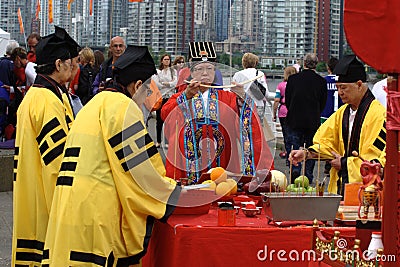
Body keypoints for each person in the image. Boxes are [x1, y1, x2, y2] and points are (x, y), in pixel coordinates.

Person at [42, 45, 181, 267]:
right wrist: (173, 193)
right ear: (137, 85)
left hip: (69, 205)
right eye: (147, 91)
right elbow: (141, 171)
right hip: (96, 211)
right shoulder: (123, 107)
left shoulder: (95, 102)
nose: (146, 99)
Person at [12, 26, 80, 266]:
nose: (75, 68)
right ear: (59, 63)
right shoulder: (46, 100)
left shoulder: (41, 94)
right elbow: (57, 163)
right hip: (44, 195)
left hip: (32, 188)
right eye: (72, 62)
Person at [161, 43, 274, 184]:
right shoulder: (182, 96)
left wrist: (242, 98)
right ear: (191, 72)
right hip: (188, 164)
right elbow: (166, 114)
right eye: (199, 69)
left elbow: (247, 121)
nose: (205, 73)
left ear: (215, 71)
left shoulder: (227, 97)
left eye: (209, 68)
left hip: (222, 160)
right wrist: (185, 96)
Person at [289, 55, 386, 195]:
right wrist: (306, 153)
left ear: (359, 85)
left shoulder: (379, 114)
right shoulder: (342, 112)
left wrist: (345, 164)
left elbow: (376, 161)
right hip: (340, 187)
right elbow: (326, 141)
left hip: (367, 192)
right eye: (338, 87)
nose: (340, 92)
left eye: (343, 88)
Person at [285, 53, 327, 183]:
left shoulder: (293, 79)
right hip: (312, 121)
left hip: (294, 119)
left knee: (294, 147)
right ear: (316, 64)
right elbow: (323, 102)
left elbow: (288, 100)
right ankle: (308, 176)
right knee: (310, 149)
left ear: (304, 63)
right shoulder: (321, 81)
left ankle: (295, 171)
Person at [232, 52, 269, 120]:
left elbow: (233, 92)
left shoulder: (237, 75)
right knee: (258, 129)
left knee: (243, 128)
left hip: (243, 106)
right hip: (258, 105)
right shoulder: (260, 74)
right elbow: (266, 94)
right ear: (255, 62)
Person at [152, 54, 177, 148]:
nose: (167, 61)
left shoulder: (173, 71)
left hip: (170, 97)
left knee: (168, 120)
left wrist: (166, 83)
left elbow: (175, 83)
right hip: (161, 97)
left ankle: (167, 141)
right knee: (159, 120)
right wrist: (168, 84)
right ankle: (158, 141)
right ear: (162, 61)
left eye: (168, 59)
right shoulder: (158, 71)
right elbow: (156, 83)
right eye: (165, 59)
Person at [273, 66, 297, 160]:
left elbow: (276, 100)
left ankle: (287, 154)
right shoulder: (297, 85)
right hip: (295, 111)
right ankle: (294, 155)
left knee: (286, 134)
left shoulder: (281, 85)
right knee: (294, 134)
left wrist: (274, 113)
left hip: (283, 111)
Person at [321, 57, 342, 122]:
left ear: (328, 68)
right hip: (340, 115)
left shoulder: (323, 81)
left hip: (325, 115)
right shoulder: (343, 81)